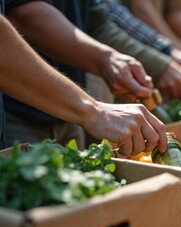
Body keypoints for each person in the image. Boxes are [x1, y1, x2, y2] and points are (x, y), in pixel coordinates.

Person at [0, 14, 167, 155]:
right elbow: (28, 18)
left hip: (70, 113)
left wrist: (108, 59)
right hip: (21, 113)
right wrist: (94, 112)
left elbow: (95, 17)